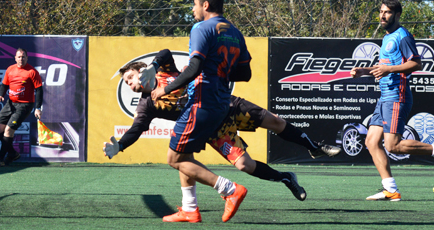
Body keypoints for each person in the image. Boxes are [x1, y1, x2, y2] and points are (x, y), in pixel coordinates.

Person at [104, 48, 340, 202]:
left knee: (275, 121)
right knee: (244, 166)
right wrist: (120, 146)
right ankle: (286, 178)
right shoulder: (146, 106)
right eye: (127, 84)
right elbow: (136, 129)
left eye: (130, 78)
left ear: (140, 70)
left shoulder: (163, 70)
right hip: (213, 129)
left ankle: (313, 146)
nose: (131, 84)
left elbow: (165, 53)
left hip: (223, 104)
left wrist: (154, 65)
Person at [137, 0, 248, 223]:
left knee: (174, 159)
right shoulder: (235, 32)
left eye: (194, 4)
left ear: (205, 5)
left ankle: (230, 190)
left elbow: (195, 67)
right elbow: (245, 73)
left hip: (201, 101)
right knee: (184, 153)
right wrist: (220, 71)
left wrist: (164, 89)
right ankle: (189, 209)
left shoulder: (201, 28)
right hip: (220, 103)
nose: (193, 8)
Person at [350, 0, 434, 201]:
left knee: (392, 145)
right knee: (372, 142)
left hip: (396, 96)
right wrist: (363, 71)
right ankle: (390, 189)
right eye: (381, 11)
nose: (383, 15)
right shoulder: (387, 38)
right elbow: (382, 69)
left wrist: (389, 68)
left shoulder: (402, 36)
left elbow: (416, 64)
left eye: (388, 12)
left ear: (397, 15)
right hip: (384, 98)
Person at [0, 48, 43, 165]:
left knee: (8, 130)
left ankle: (0, 159)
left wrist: (38, 108)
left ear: (27, 58)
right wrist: (0, 95)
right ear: (15, 58)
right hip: (11, 103)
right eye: (19, 57)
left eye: (23, 57)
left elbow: (39, 90)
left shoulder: (32, 72)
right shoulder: (10, 69)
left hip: (25, 105)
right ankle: (12, 153)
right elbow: (4, 85)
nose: (21, 59)